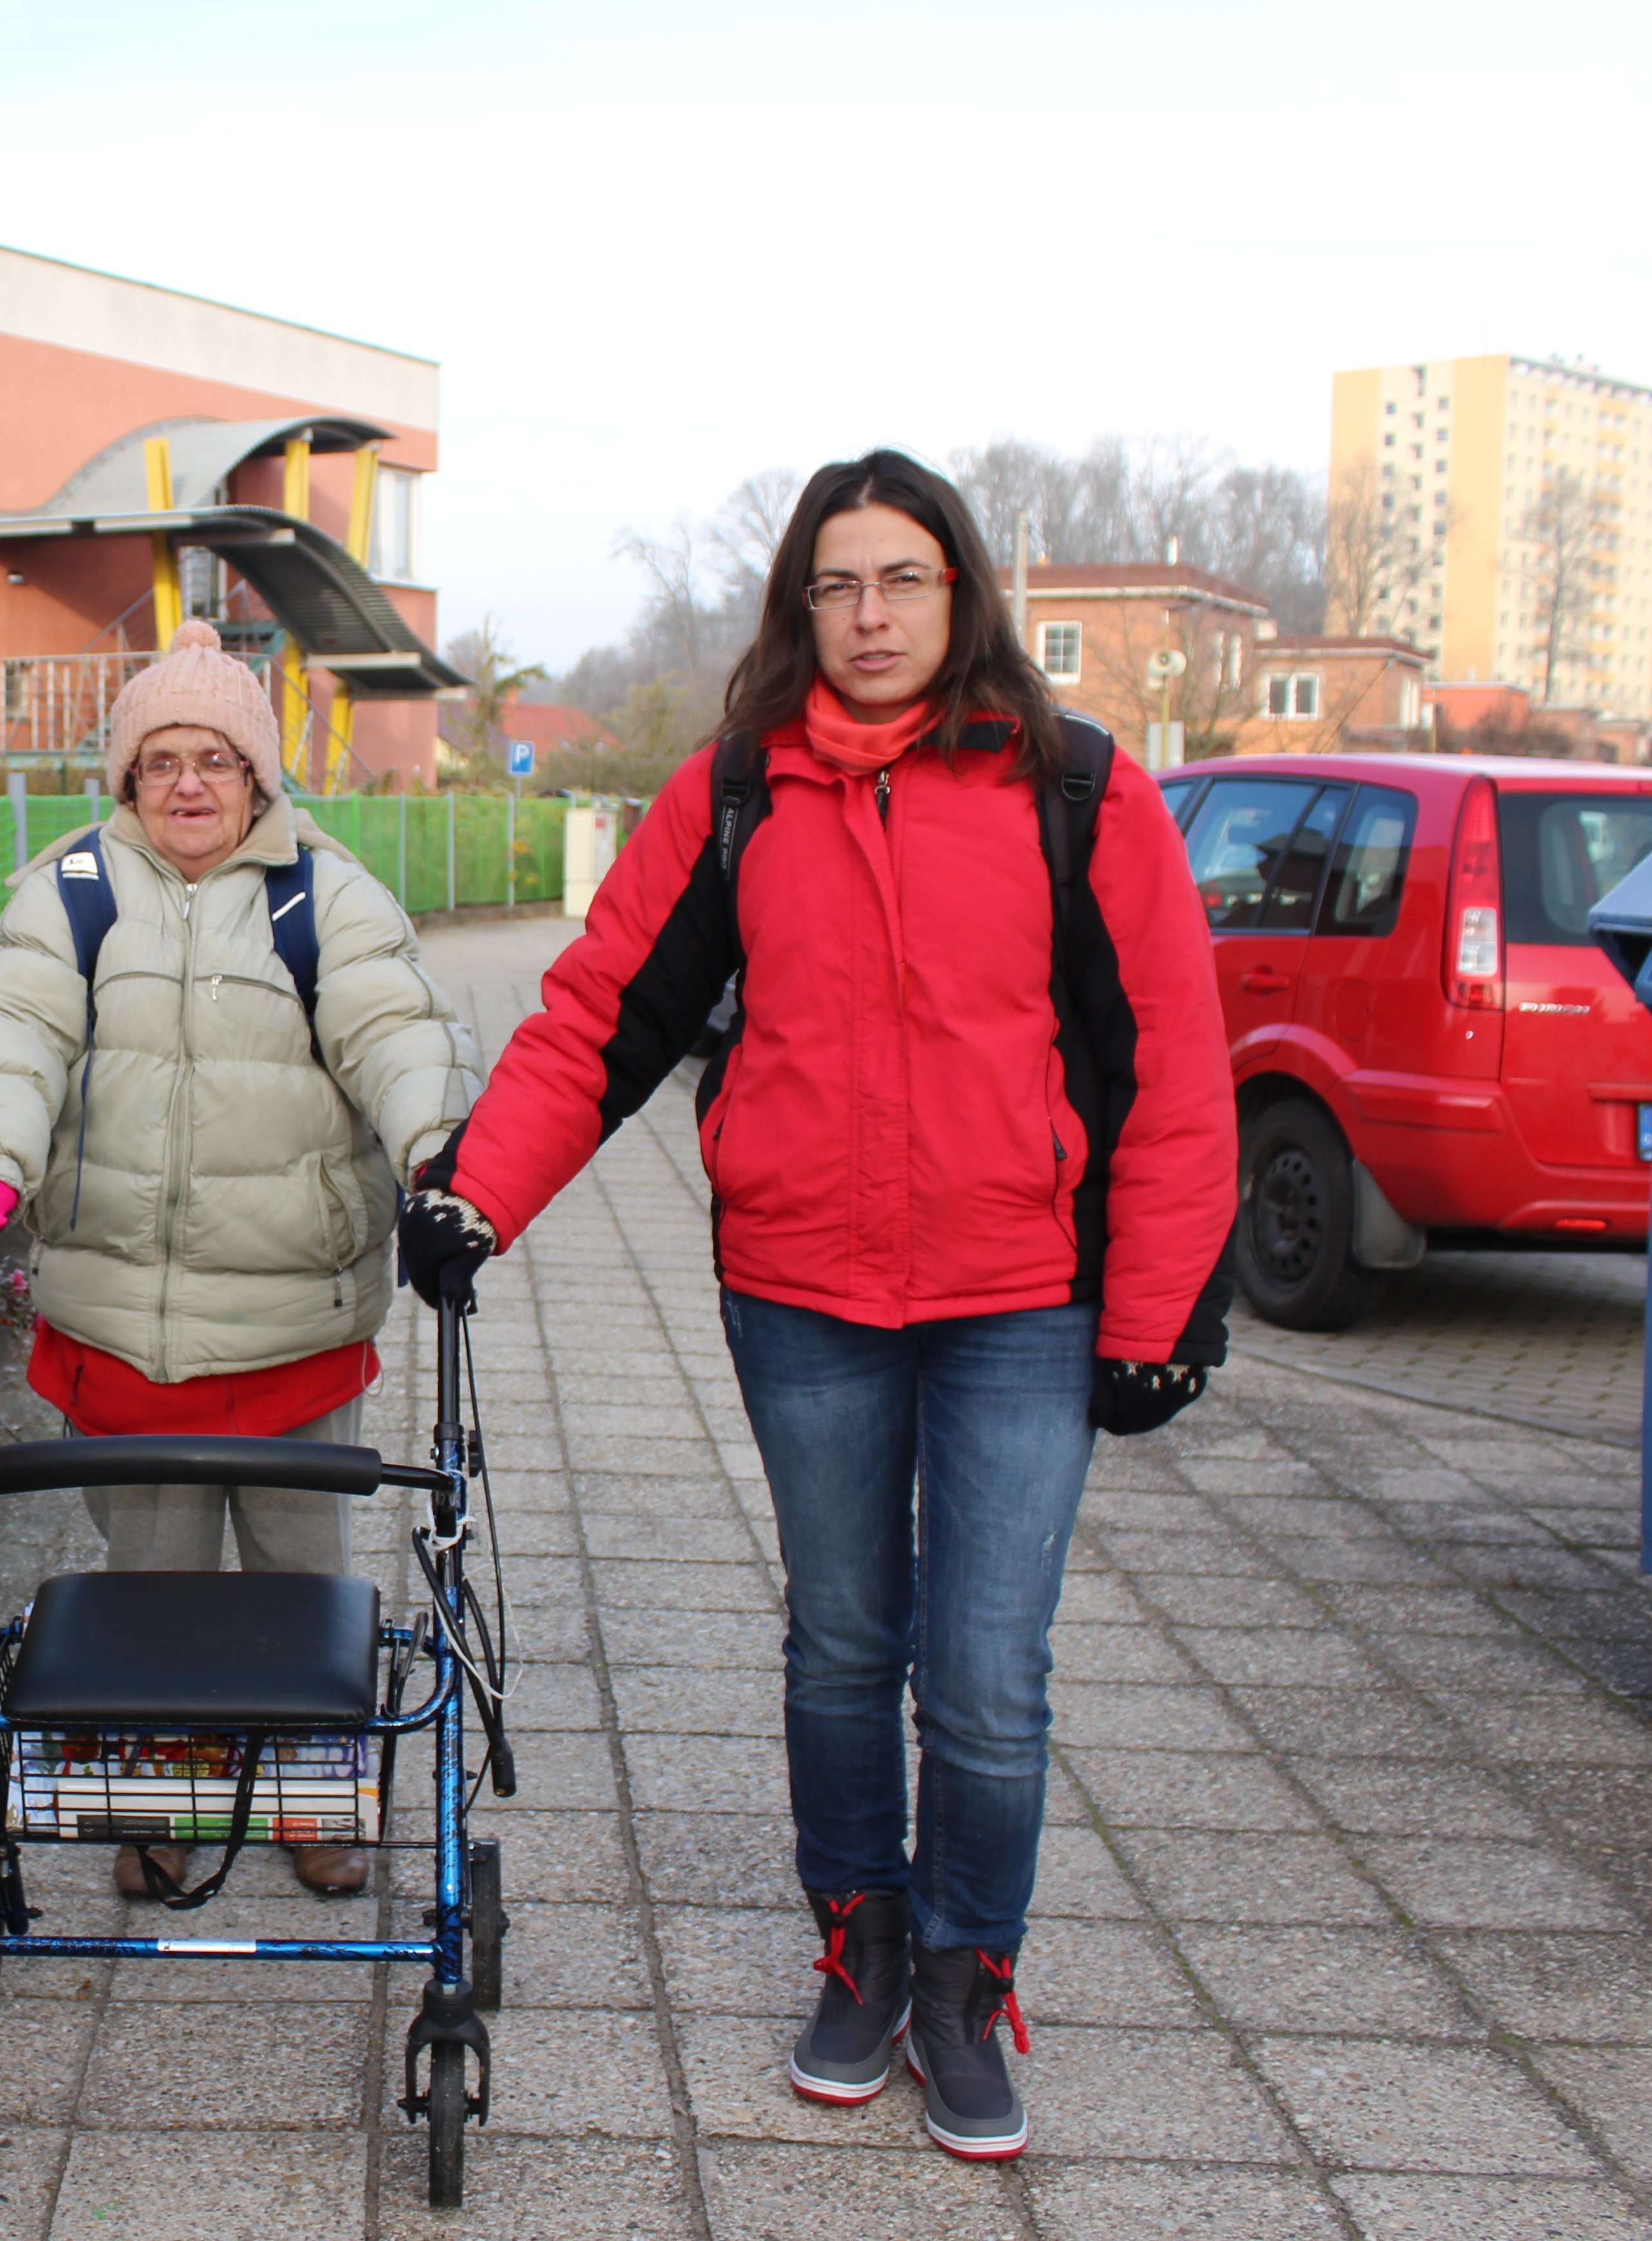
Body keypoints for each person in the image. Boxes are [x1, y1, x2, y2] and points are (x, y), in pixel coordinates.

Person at [395, 453, 1233, 2160]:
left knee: (988, 1670)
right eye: (837, 586)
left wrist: (1157, 1312)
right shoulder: (735, 799)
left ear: (960, 593)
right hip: (807, 1294)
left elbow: (1173, 1071)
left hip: (1024, 1298)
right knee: (845, 1641)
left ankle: (965, 1973)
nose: (869, 615)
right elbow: (599, 1021)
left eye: (902, 581)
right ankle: (857, 1939)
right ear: (800, 608)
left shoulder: (1080, 792)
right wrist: (480, 1189)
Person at [0, 619, 478, 1899]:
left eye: (218, 761)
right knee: (153, 1590)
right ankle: (163, 1801)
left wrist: (440, 1154)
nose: (189, 784)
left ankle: (305, 1801)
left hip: (295, 1324)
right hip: (123, 1323)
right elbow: (9, 1035)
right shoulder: (69, 895)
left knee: (299, 1580)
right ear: (125, 781)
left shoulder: (324, 897)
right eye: (162, 761)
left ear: (260, 779)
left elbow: (396, 1026)